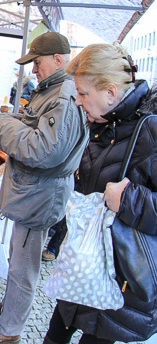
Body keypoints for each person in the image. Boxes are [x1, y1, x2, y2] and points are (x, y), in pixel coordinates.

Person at [0, 32, 88, 344]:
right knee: (17, 258)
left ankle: (8, 332)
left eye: (37, 62)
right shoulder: (52, 90)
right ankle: (10, 309)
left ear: (58, 59)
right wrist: (12, 122)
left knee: (24, 267)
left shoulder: (62, 97)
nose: (33, 69)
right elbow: (30, 128)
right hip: (34, 192)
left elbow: (44, 151)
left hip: (40, 195)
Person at [43, 43, 157, 343]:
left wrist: (129, 199)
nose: (78, 102)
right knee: (55, 335)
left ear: (110, 92)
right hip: (83, 268)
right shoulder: (103, 123)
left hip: (119, 281)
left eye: (82, 93)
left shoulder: (152, 133)